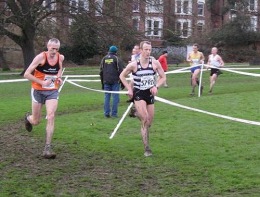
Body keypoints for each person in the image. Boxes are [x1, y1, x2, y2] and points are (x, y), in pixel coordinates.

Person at [119, 41, 166, 157]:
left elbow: (163, 77)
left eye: (149, 50)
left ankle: (135, 113)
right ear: (140, 50)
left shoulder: (154, 63)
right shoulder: (134, 65)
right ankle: (147, 148)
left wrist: (156, 86)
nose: (148, 52)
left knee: (149, 122)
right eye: (146, 49)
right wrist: (129, 89)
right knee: (145, 119)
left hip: (150, 94)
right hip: (139, 93)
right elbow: (122, 76)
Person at [23, 38, 64, 159]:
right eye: (52, 49)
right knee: (36, 121)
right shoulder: (40, 57)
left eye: (56, 49)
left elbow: (59, 69)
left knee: (51, 116)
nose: (54, 51)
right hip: (37, 90)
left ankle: (47, 148)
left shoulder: (60, 58)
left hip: (52, 91)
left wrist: (59, 78)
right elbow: (26, 74)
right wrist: (41, 82)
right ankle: (28, 118)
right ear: (48, 47)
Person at [100, 45, 124, 118]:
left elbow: (101, 71)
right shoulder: (117, 59)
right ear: (116, 52)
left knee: (107, 97)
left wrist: (102, 83)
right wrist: (122, 83)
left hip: (106, 81)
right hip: (115, 81)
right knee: (115, 97)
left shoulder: (104, 58)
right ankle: (114, 114)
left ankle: (106, 113)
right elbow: (121, 71)